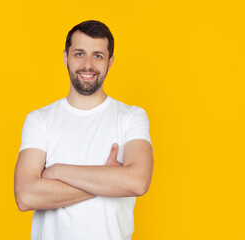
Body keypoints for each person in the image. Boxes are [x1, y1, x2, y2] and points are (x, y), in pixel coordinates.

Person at [14, 20, 154, 240]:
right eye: (79, 54)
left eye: (97, 55)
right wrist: (110, 180)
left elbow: (137, 181)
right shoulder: (39, 120)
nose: (88, 64)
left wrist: (57, 171)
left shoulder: (131, 117)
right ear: (65, 57)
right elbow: (26, 196)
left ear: (110, 62)